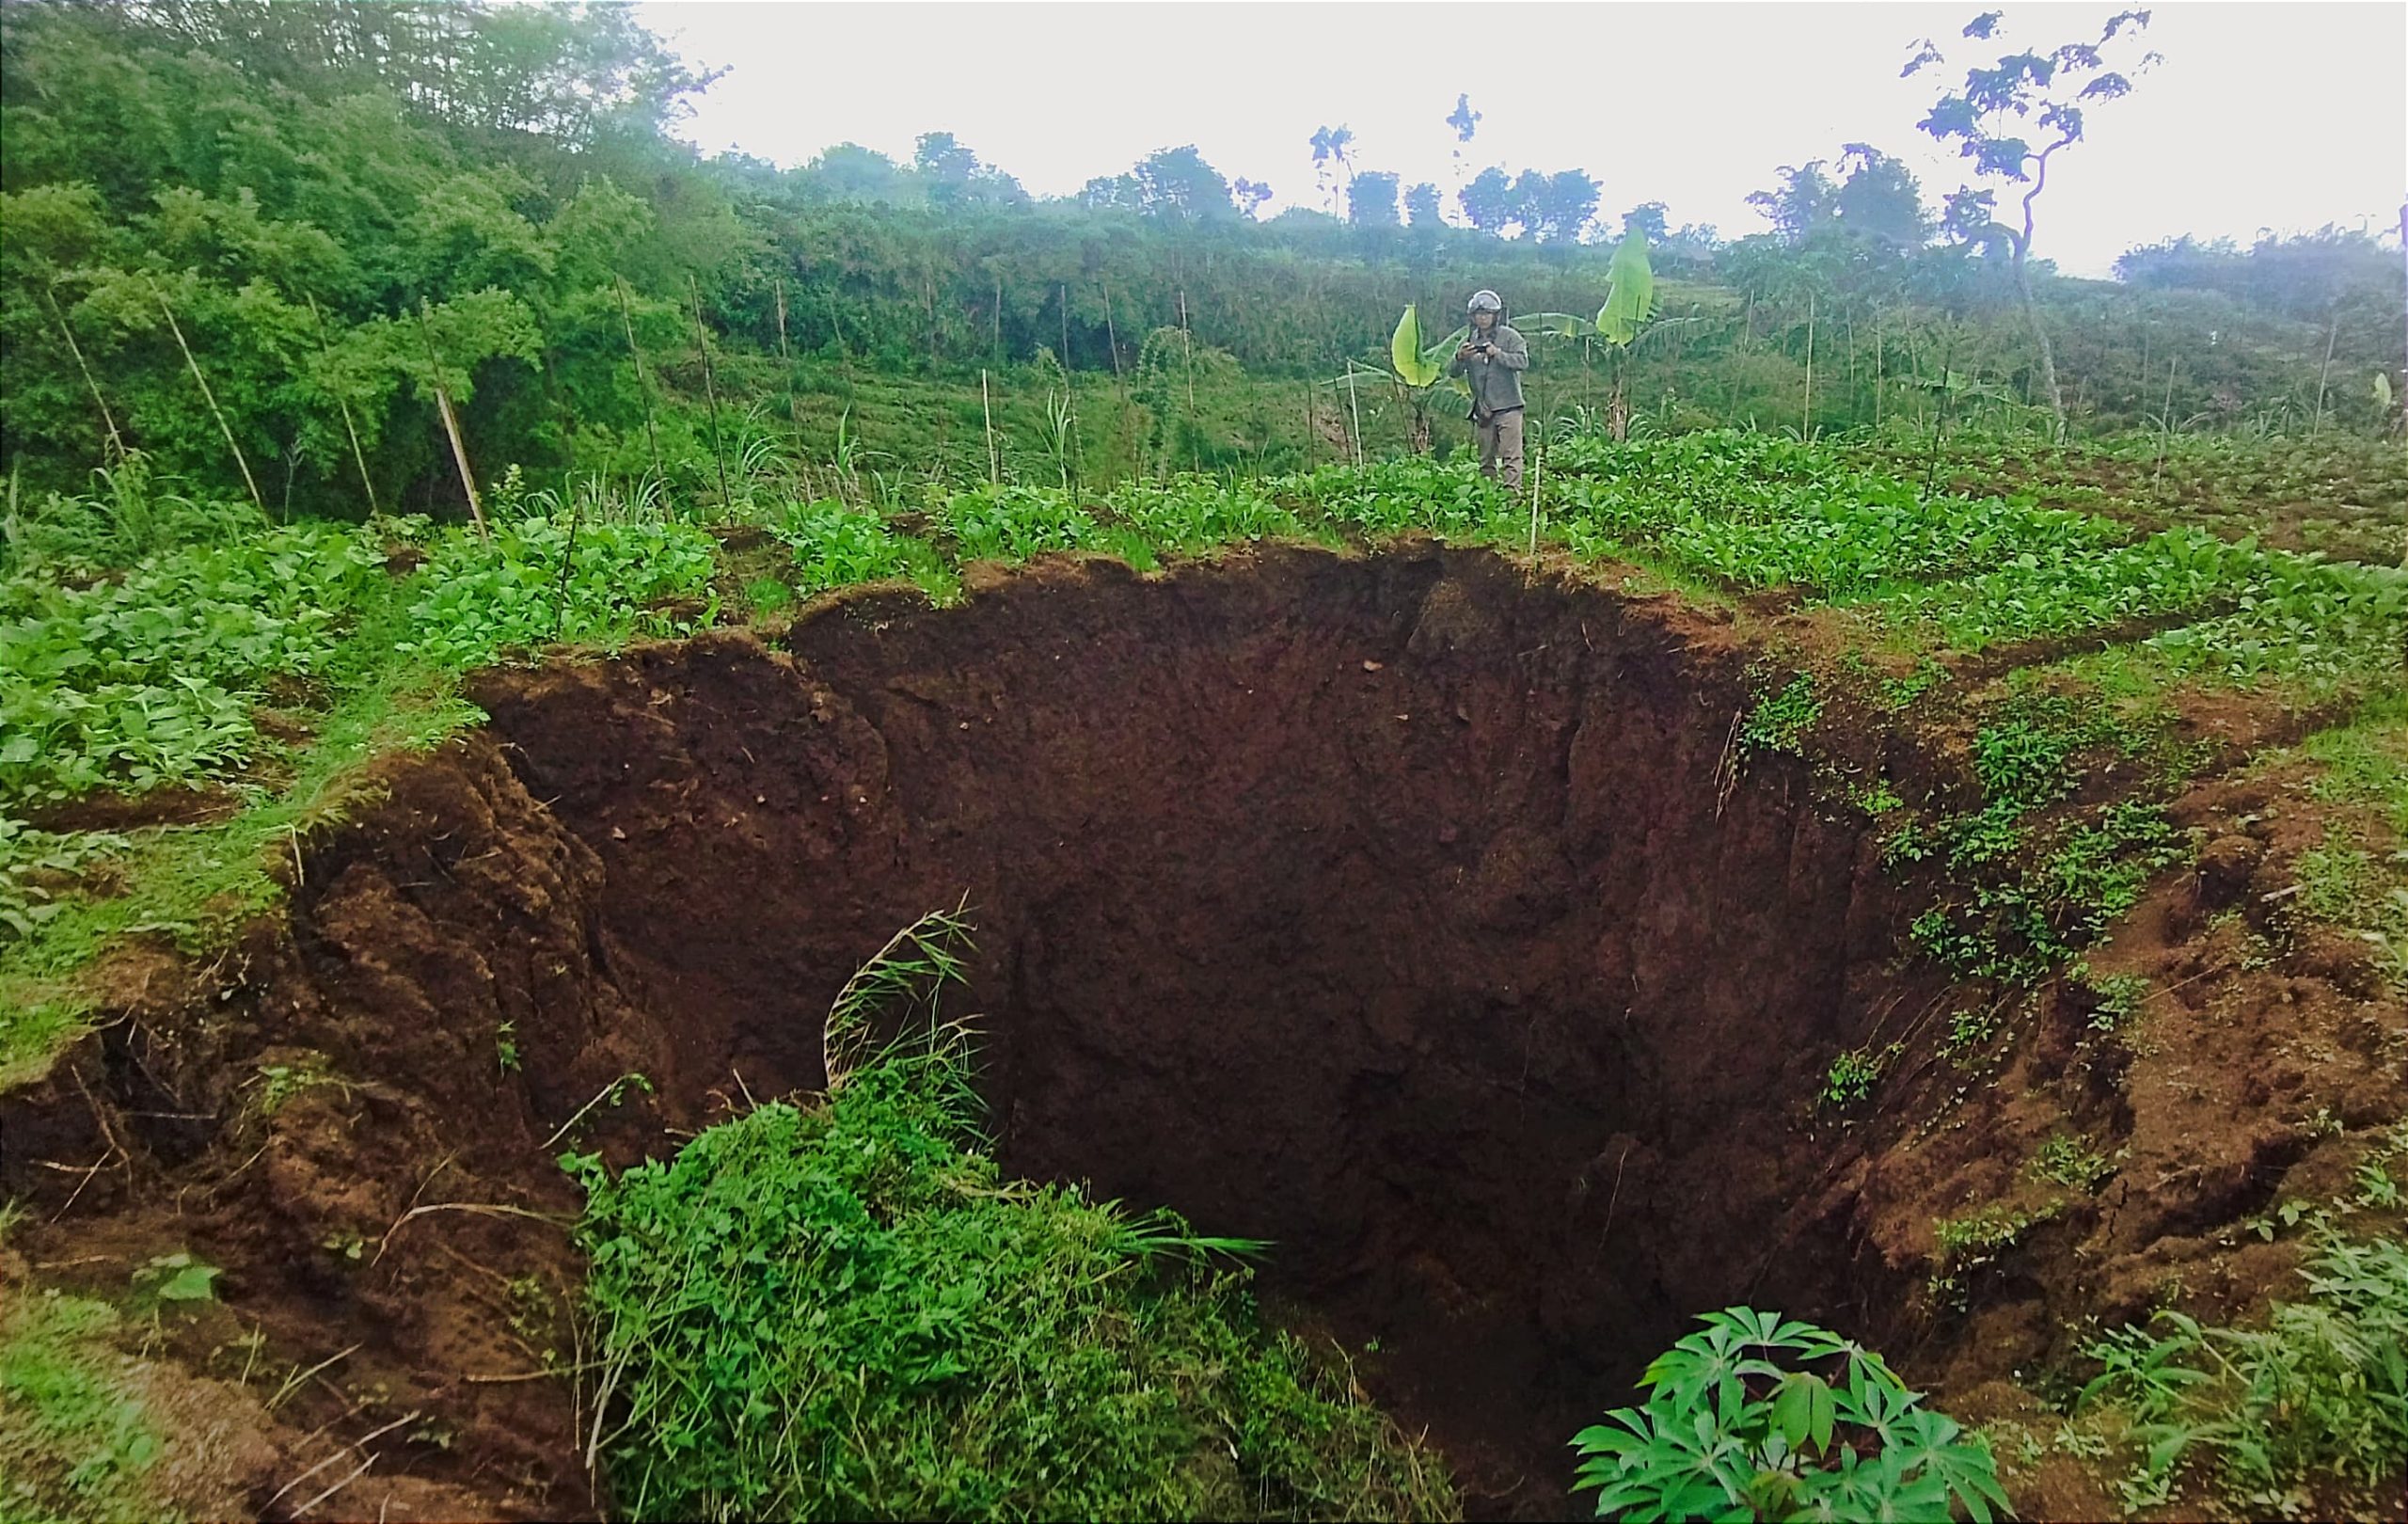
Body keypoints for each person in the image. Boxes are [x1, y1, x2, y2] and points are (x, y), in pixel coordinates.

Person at [1449, 289, 1529, 488]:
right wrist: (1460, 357)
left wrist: (1497, 354)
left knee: (1511, 457)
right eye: (1479, 314)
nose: (1483, 318)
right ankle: (1488, 498)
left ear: (1495, 315)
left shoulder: (1510, 337)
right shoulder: (1468, 340)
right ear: (1473, 317)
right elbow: (1452, 372)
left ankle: (1512, 499)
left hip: (1509, 406)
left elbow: (1522, 361)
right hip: (1483, 410)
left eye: (1487, 314)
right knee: (1485, 460)